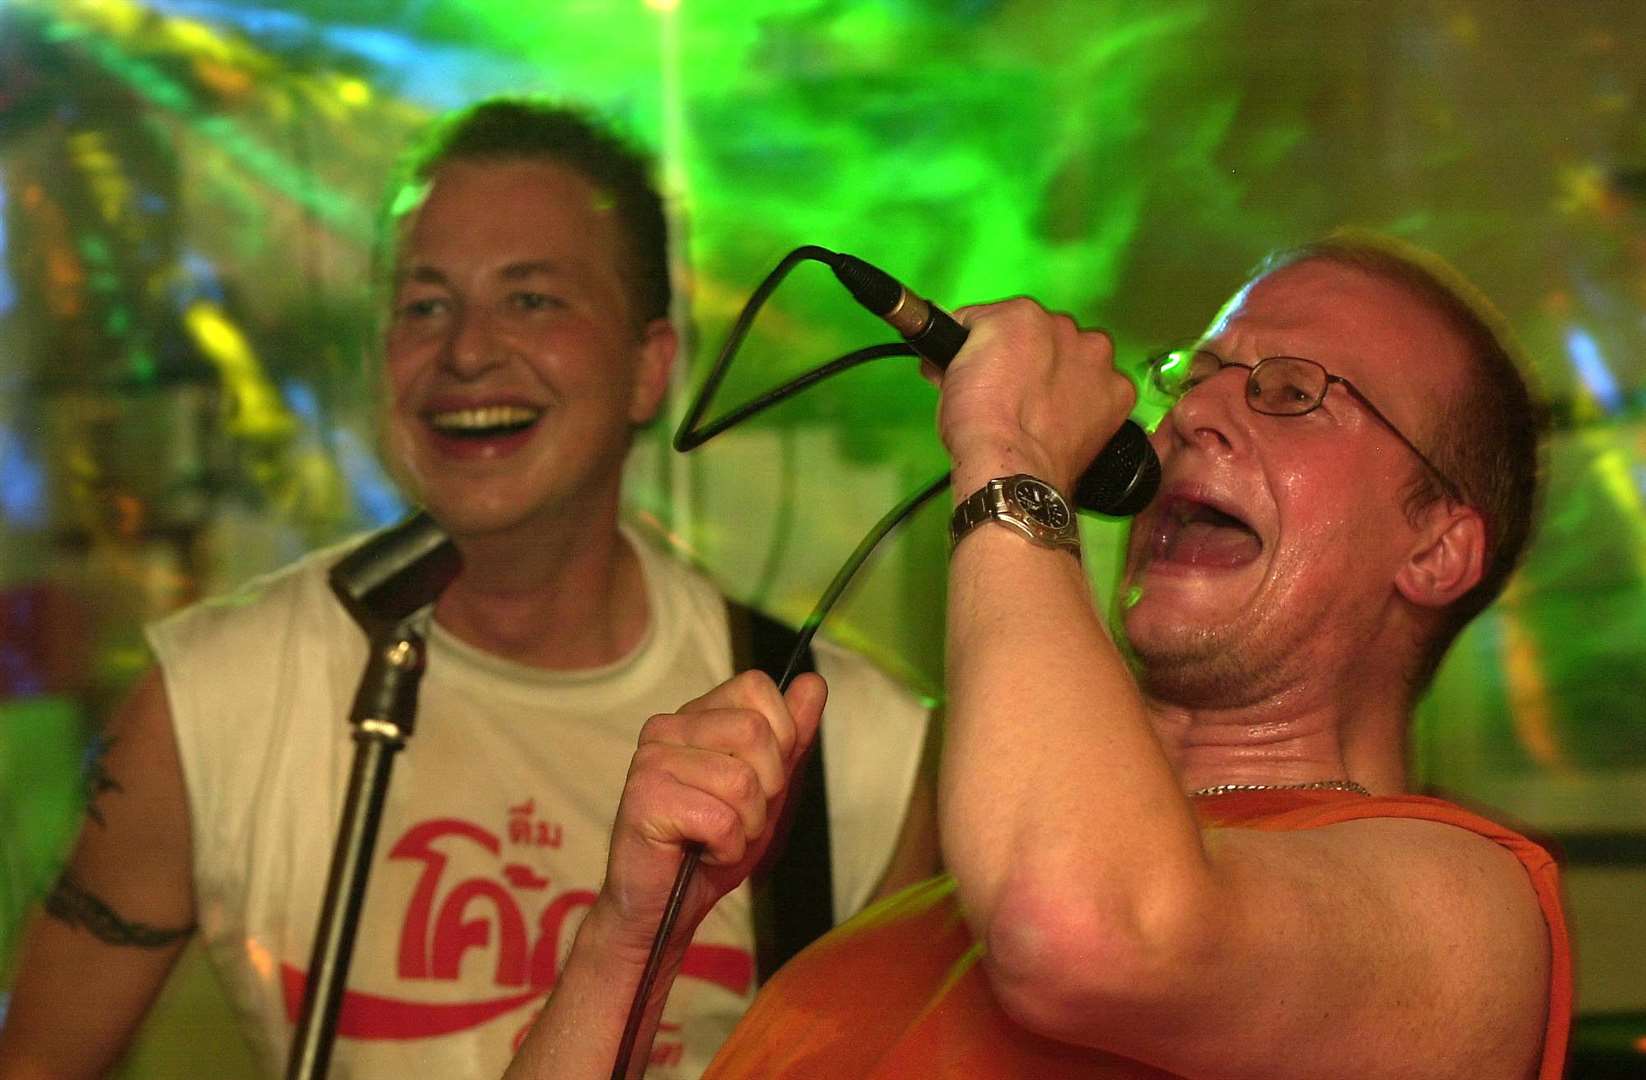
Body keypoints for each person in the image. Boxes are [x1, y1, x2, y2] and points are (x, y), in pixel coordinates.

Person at [0, 99, 937, 1079]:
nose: (466, 352)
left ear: (647, 368)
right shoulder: (211, 699)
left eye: (531, 299)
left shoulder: (841, 744)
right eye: (423, 305)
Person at [504, 232, 1571, 1079]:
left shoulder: (1463, 909)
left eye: (1288, 391)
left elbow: (1087, 930)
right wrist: (627, 936)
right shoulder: (926, 914)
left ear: (1435, 546)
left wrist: (1007, 453)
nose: (1192, 413)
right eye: (1193, 378)